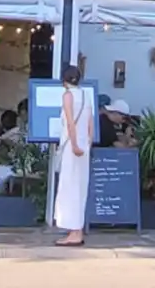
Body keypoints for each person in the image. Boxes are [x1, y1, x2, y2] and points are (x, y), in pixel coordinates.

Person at [53, 65, 92, 247]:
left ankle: (74, 232)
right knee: (80, 187)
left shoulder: (68, 96)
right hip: (84, 146)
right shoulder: (86, 95)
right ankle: (77, 230)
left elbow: (70, 123)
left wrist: (75, 145)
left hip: (72, 146)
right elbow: (90, 122)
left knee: (69, 187)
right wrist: (87, 143)